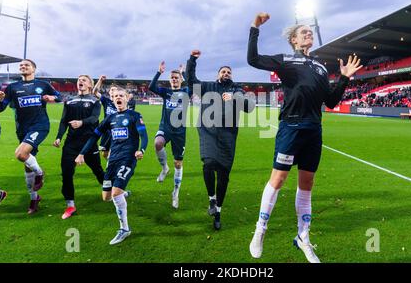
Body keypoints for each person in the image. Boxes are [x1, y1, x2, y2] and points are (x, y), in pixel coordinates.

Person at [247, 13, 362, 263]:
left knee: (307, 185)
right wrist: (255, 27)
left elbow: (331, 101)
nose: (309, 34)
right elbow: (253, 59)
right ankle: (260, 229)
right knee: (278, 179)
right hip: (291, 127)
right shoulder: (286, 59)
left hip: (313, 130)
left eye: (310, 32)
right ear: (294, 40)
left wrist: (344, 78)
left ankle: (303, 237)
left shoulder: (321, 67)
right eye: (304, 32)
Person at [186, 50, 255, 230]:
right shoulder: (208, 87)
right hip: (208, 132)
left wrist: (234, 97)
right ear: (218, 75)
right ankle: (211, 199)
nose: (226, 73)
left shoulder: (237, 89)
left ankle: (218, 212)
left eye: (229, 72)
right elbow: (191, 80)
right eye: (223, 71)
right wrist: (192, 60)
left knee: (224, 174)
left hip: (228, 136)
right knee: (208, 164)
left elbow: (250, 107)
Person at [75, 86, 148, 245]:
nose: (118, 98)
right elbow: (94, 137)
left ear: (127, 97)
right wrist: (81, 153)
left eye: (121, 95)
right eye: (115, 96)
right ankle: (123, 193)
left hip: (128, 158)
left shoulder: (135, 116)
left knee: (115, 193)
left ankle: (124, 229)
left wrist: (141, 149)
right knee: (106, 197)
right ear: (113, 99)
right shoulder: (110, 119)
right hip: (113, 160)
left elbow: (144, 135)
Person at [0, 59, 61, 214]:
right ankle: (34, 198)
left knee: (20, 154)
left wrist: (53, 98)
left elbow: (59, 96)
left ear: (34, 68)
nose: (23, 66)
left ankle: (40, 173)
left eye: (26, 65)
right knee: (27, 166)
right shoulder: (12, 87)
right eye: (21, 65)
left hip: (39, 126)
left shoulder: (43, 85)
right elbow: (1, 108)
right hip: (22, 129)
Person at [53, 75, 105, 219]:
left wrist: (81, 122)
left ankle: (112, 190)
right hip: (71, 143)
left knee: (98, 170)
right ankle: (70, 205)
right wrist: (59, 137)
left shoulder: (95, 101)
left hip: (89, 143)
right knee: (67, 174)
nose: (80, 82)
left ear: (90, 85)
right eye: (79, 80)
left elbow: (95, 119)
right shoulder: (69, 101)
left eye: (84, 80)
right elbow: (64, 121)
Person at [149, 62, 191, 209]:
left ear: (180, 80)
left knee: (178, 163)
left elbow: (193, 84)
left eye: (176, 77)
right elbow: (151, 87)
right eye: (172, 77)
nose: (174, 79)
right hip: (165, 128)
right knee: (157, 143)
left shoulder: (186, 91)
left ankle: (175, 193)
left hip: (180, 132)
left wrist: (184, 73)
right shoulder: (166, 92)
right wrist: (158, 72)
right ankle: (164, 168)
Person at [92, 75, 118, 159]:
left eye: (115, 90)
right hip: (106, 130)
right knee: (104, 153)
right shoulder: (106, 101)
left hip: (116, 129)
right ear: (109, 92)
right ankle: (112, 163)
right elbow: (95, 92)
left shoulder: (121, 101)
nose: (113, 91)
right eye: (111, 90)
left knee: (113, 151)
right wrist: (100, 81)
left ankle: (112, 167)